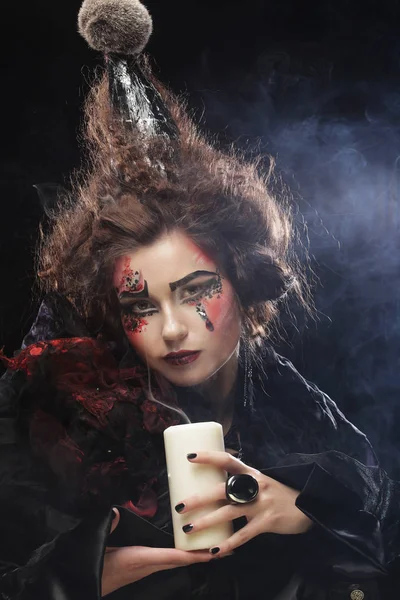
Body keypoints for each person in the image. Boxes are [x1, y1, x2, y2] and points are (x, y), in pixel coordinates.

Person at [0, 1, 399, 599]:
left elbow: (380, 535)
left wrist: (308, 514)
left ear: (246, 281)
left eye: (195, 293)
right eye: (140, 307)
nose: (172, 331)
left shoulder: (303, 413)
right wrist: (75, 577)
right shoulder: (62, 427)